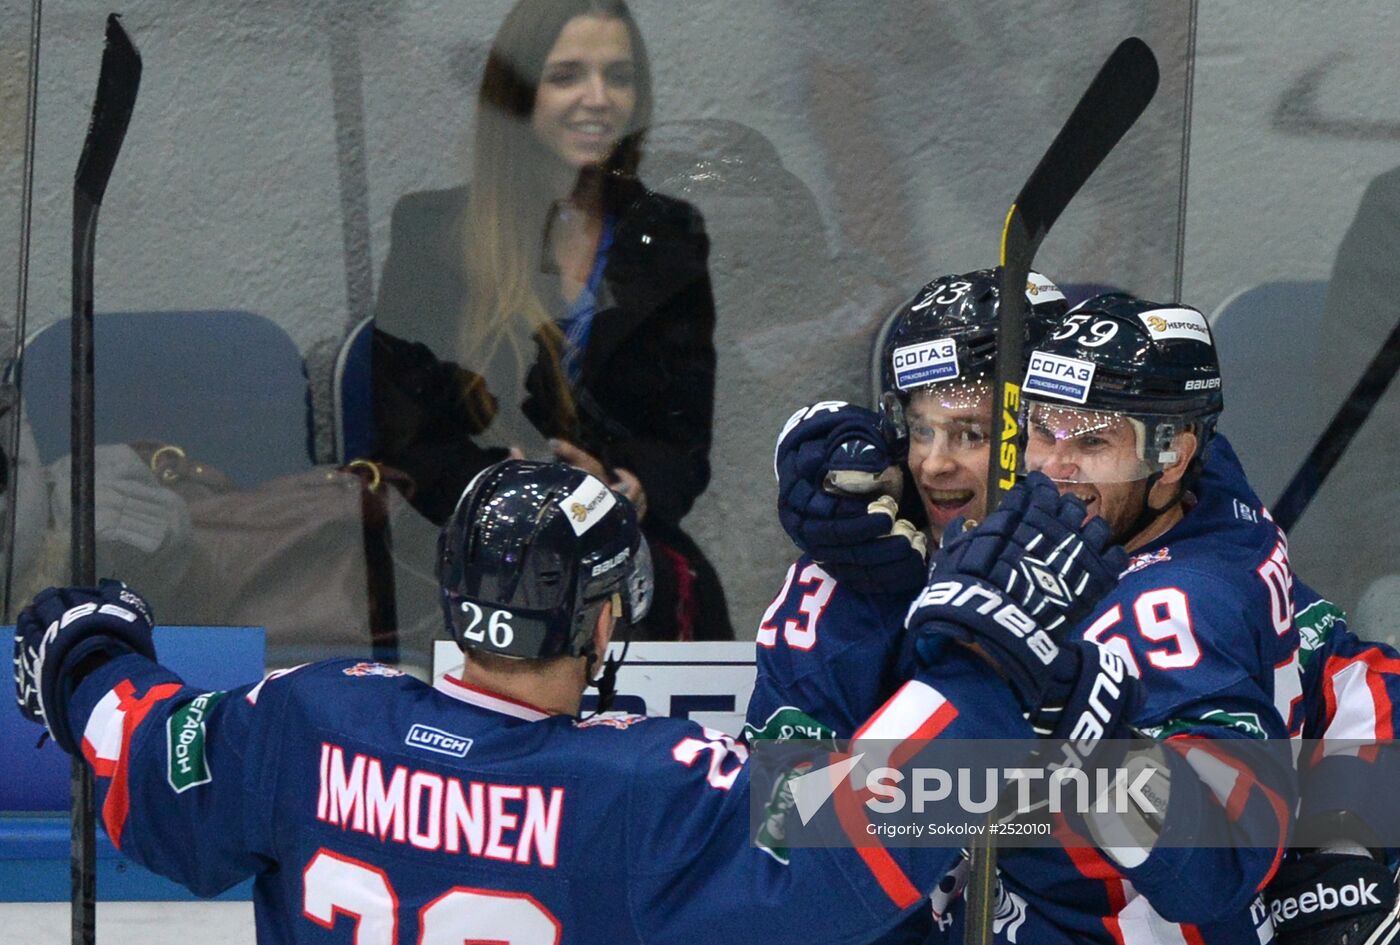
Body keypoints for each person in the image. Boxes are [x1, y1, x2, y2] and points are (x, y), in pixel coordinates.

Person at [14, 459, 1140, 944]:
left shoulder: (305, 720)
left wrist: (85, 657)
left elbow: (140, 745)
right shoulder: (642, 784)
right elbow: (856, 843)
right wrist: (975, 675)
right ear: (606, 624)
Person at [758, 280, 1311, 943]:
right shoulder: (838, 587)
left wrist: (1081, 729)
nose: (937, 463)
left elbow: (1217, 862)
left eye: (974, 432)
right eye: (1041, 432)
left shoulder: (1173, 593)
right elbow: (779, 833)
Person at [371, 0, 729, 641]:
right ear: (519, 92)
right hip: (465, 558)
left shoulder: (669, 236)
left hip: (616, 551)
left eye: (618, 77)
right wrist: (507, 491)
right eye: (567, 75)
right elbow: (407, 439)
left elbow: (682, 445)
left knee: (675, 598)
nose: (598, 98)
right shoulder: (433, 233)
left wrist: (620, 489)